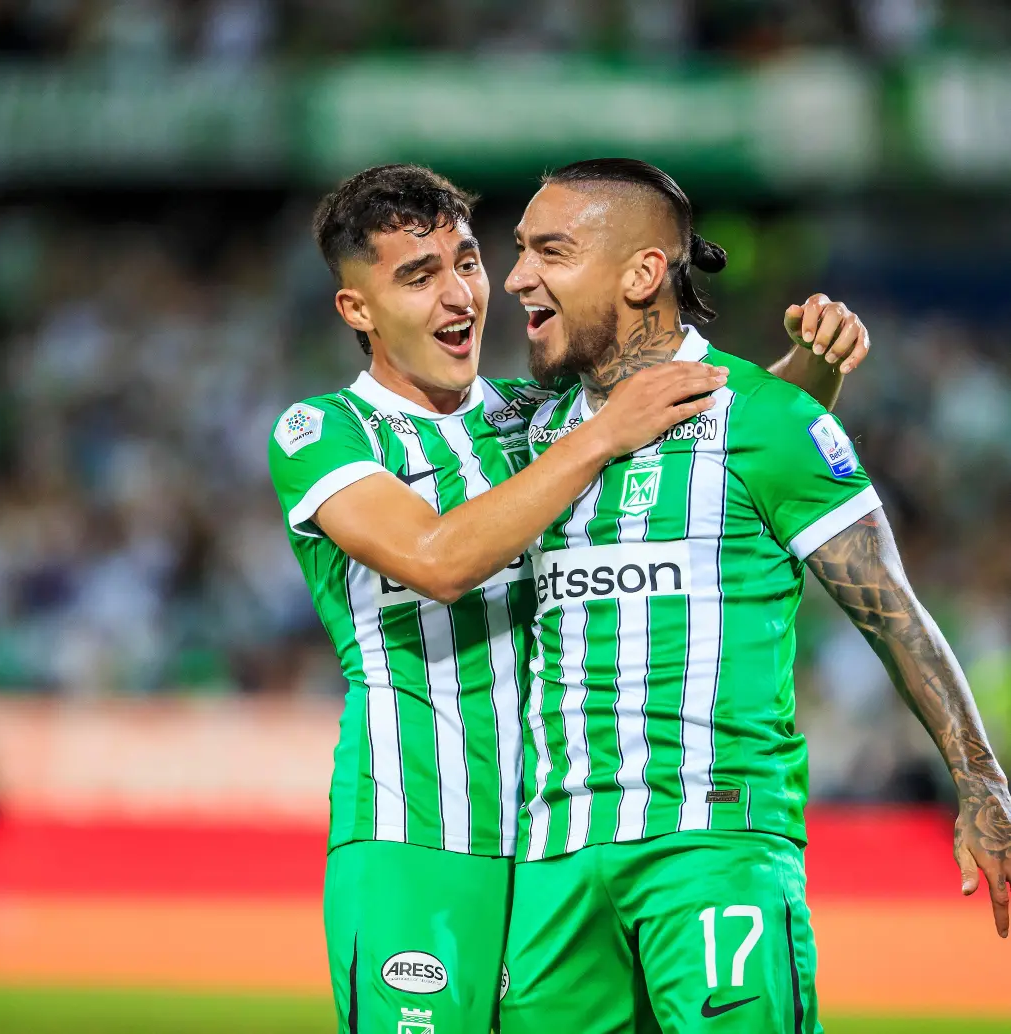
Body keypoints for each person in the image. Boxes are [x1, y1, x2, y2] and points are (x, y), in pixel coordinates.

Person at [268, 163, 874, 1034]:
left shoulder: (534, 419)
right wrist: (601, 435)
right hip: (417, 836)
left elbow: (709, 438)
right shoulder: (324, 431)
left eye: (467, 263)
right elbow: (437, 559)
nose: (460, 296)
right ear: (356, 310)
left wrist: (807, 372)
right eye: (417, 276)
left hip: (551, 848)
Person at [498, 158, 1011, 1034]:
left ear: (641, 273)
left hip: (714, 848)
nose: (516, 278)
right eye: (517, 251)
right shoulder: (525, 431)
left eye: (550, 251)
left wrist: (981, 779)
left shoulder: (770, 420)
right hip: (553, 857)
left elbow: (892, 612)